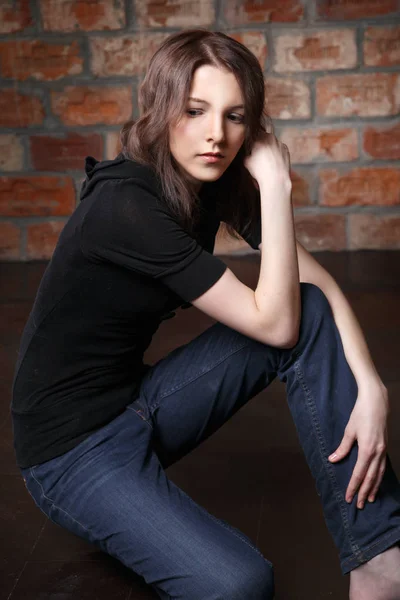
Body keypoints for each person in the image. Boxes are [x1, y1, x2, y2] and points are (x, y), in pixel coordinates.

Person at [12, 28, 400, 600]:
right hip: (69, 454)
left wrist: (370, 385)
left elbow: (312, 289)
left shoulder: (205, 177)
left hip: (135, 404)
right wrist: (275, 185)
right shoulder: (125, 208)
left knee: (308, 308)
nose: (216, 134)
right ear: (163, 109)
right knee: (241, 584)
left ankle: (379, 557)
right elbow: (275, 326)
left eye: (235, 116)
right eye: (196, 111)